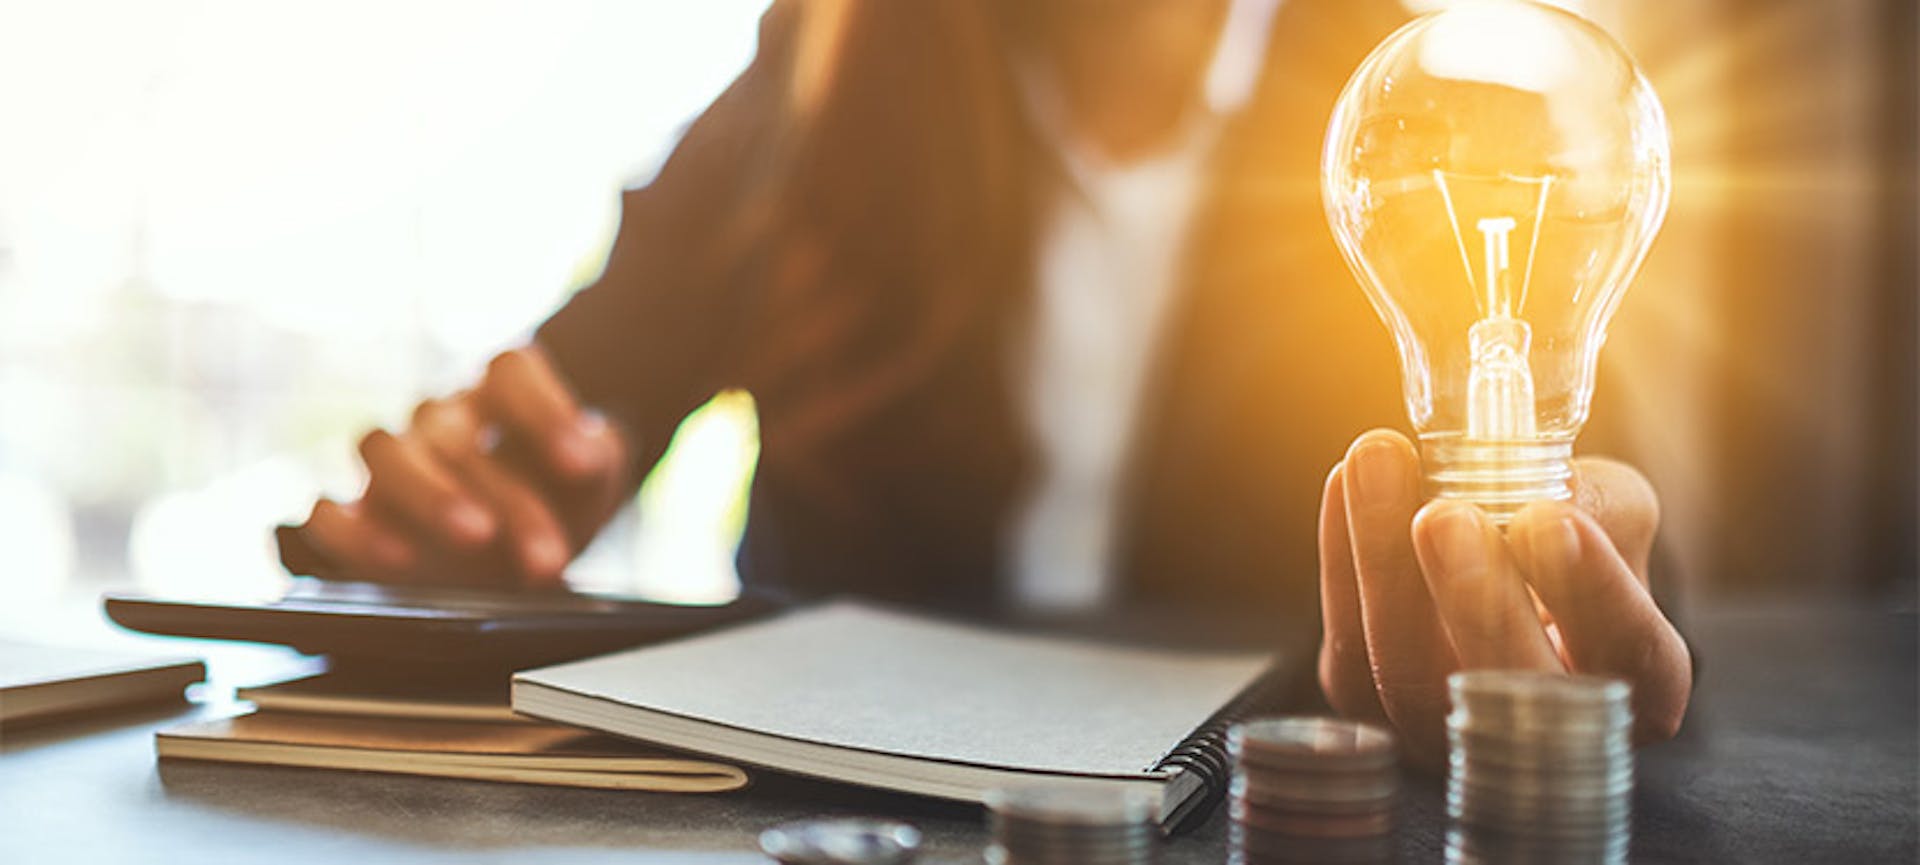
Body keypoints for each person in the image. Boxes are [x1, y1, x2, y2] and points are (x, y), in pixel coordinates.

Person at [283, 0, 1691, 762]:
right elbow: (568, 409)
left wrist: (1557, 604)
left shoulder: (1428, 119)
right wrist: (482, 512)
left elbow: (1606, 531)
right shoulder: (820, 75)